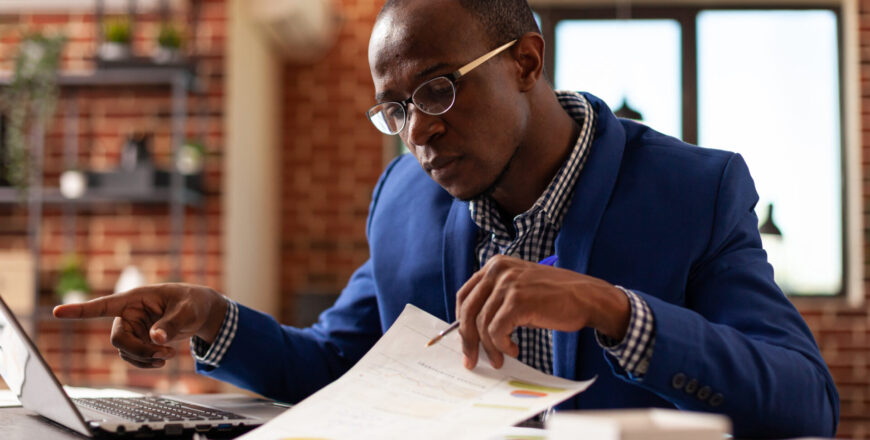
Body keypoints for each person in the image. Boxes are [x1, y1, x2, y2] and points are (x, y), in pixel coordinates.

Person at [54, 0, 839, 437]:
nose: (417, 131)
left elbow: (806, 398)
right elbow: (337, 365)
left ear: (525, 63)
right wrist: (213, 317)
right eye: (394, 108)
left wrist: (613, 309)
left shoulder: (693, 189)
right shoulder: (404, 199)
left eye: (437, 91)